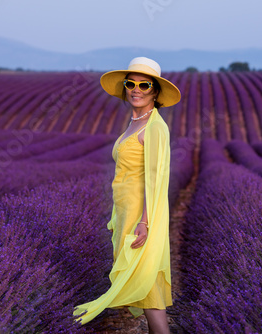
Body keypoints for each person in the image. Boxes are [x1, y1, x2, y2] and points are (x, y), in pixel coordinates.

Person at [73, 57, 181, 334]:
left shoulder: (154, 127)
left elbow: (156, 181)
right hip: (126, 211)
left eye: (144, 85)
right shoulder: (135, 123)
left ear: (155, 92)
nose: (136, 89)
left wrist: (145, 222)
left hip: (140, 215)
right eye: (130, 83)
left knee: (148, 284)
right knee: (146, 286)